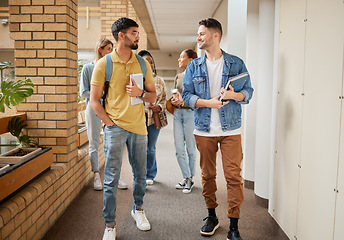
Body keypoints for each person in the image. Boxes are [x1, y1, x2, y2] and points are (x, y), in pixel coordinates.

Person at [182, 18, 254, 240]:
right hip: (204, 129)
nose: (198, 37)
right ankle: (211, 215)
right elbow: (186, 96)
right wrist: (208, 103)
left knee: (233, 177)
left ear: (216, 35)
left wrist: (234, 95)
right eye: (198, 34)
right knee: (208, 175)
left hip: (231, 128)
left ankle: (234, 226)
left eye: (202, 34)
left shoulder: (236, 63)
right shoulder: (193, 66)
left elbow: (248, 93)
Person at [90, 18, 156, 240]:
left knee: (140, 175)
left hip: (139, 128)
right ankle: (110, 224)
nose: (138, 36)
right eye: (134, 32)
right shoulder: (104, 64)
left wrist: (140, 94)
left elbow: (153, 95)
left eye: (137, 33)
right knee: (111, 178)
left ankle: (138, 209)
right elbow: (94, 101)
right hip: (115, 128)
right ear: (121, 35)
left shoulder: (142, 64)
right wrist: (109, 123)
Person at [79, 38, 128, 191]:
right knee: (94, 142)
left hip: (111, 110)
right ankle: (96, 176)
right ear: (100, 49)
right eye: (108, 49)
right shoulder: (88, 68)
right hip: (93, 109)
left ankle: (115, 176)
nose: (111, 52)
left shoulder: (111, 68)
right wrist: (100, 96)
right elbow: (84, 92)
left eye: (112, 49)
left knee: (113, 144)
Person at [138, 50, 167, 185]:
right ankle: (140, 175)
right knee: (139, 148)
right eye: (146, 62)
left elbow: (164, 99)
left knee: (150, 147)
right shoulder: (137, 79)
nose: (150, 65)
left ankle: (150, 175)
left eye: (151, 62)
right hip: (138, 118)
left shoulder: (159, 80)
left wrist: (159, 107)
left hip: (153, 117)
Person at [171, 49, 198, 194]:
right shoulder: (178, 76)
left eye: (182, 57)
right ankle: (186, 177)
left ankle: (189, 178)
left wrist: (183, 102)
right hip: (177, 114)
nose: (179, 60)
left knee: (190, 149)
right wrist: (175, 100)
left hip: (190, 114)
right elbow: (177, 93)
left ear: (191, 60)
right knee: (179, 149)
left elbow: (198, 97)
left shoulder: (197, 76)